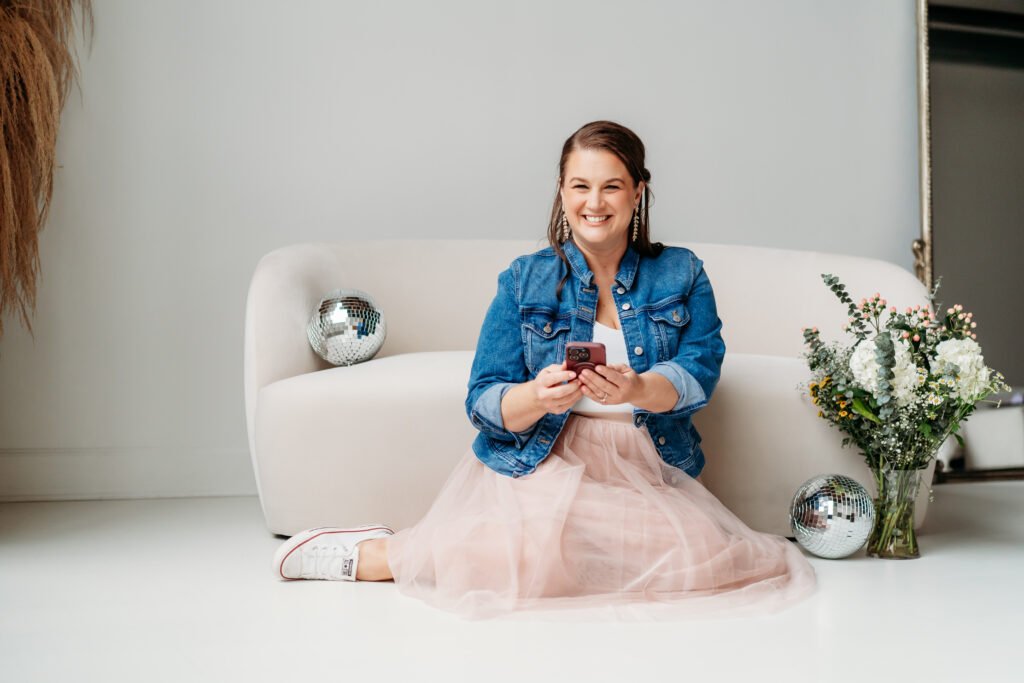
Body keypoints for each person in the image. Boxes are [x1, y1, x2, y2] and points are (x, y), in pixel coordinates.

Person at [272, 121, 816, 620]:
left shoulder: (682, 272)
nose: (594, 203)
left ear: (637, 191)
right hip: (547, 458)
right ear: (561, 191)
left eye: (611, 186)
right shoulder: (523, 280)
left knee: (706, 568)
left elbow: (699, 370)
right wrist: (537, 397)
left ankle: (437, 546)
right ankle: (375, 554)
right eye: (580, 186)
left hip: (646, 465)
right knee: (524, 560)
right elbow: (483, 398)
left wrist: (637, 387)